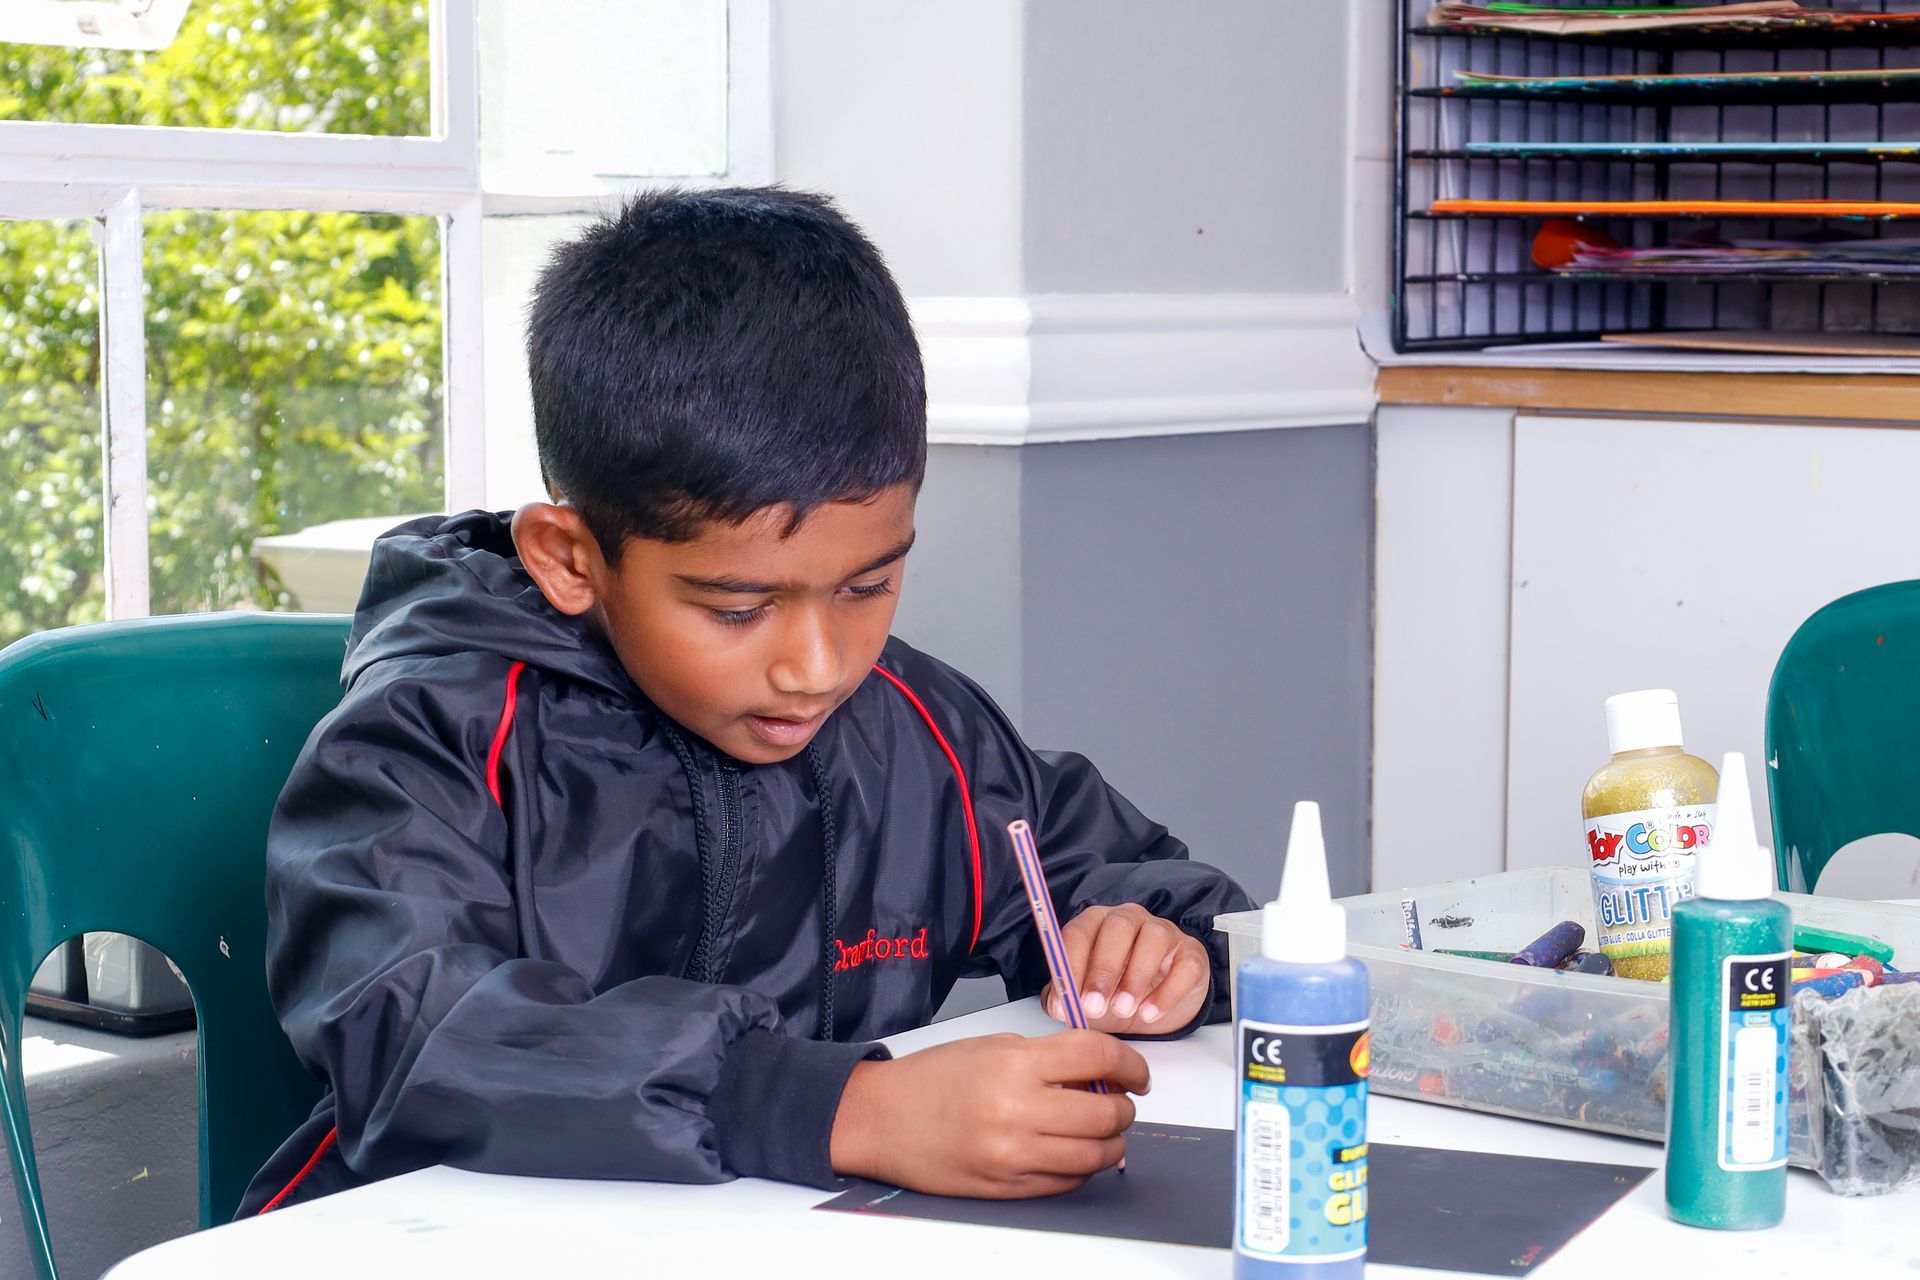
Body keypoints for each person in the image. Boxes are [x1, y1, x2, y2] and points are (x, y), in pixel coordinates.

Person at [239, 187, 1254, 1216]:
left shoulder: (920, 729)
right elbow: (412, 1035)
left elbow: (1142, 877)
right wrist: (838, 1108)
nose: (818, 664)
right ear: (570, 559)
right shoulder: (426, 745)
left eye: (867, 584)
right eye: (738, 605)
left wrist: (1164, 946)